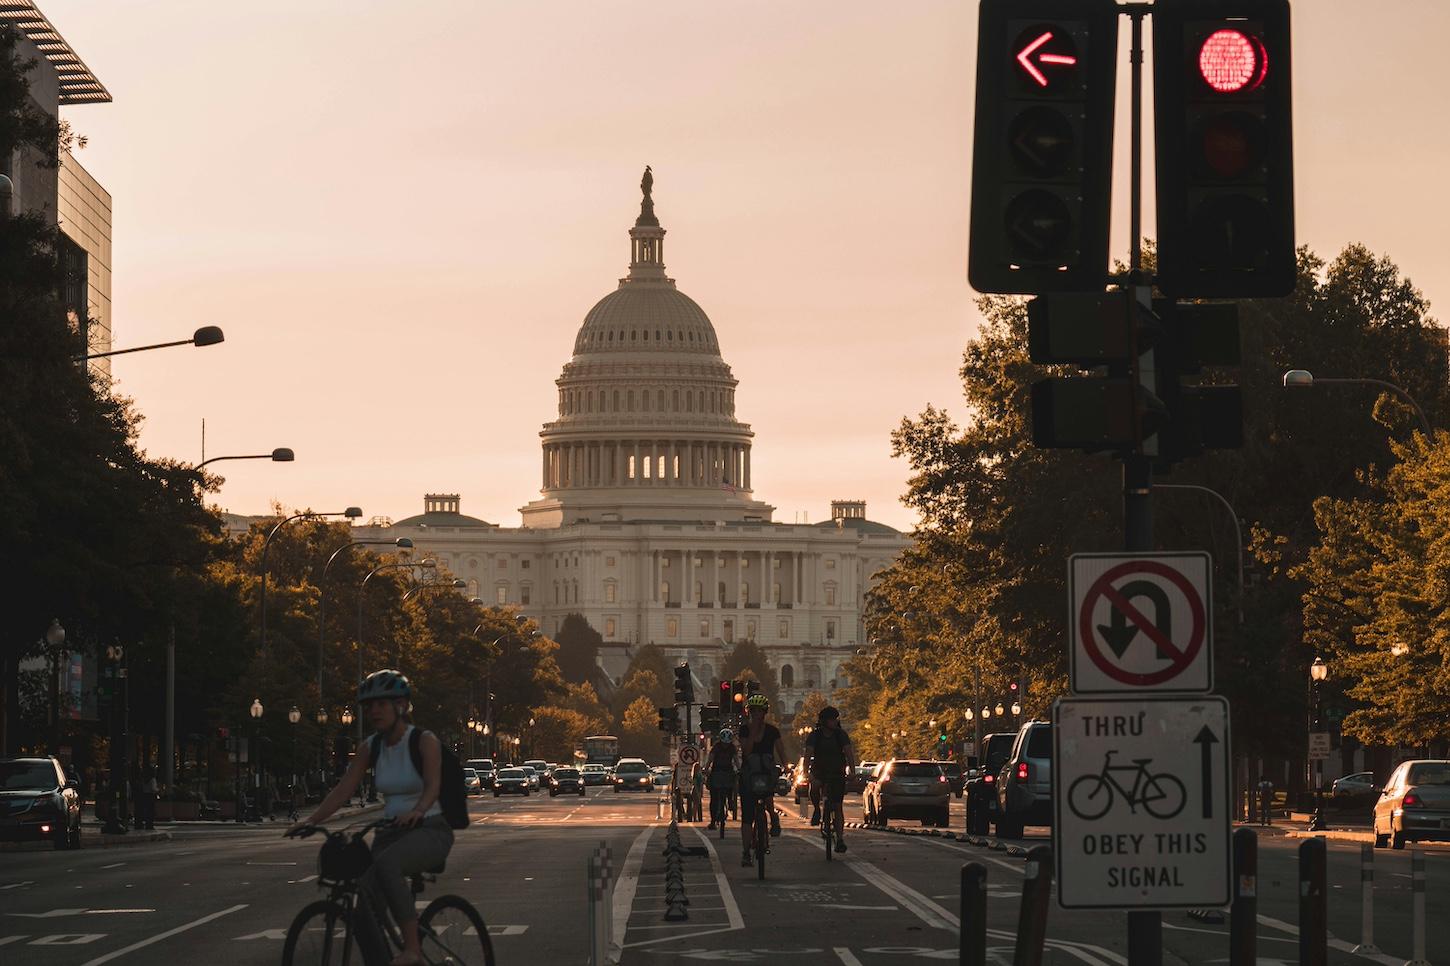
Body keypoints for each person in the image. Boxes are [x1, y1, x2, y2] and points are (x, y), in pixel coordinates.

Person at [291, 669, 453, 966]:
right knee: (361, 898)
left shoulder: (423, 741)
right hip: (389, 833)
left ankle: (413, 950)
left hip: (430, 829)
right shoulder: (371, 747)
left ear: (400, 706)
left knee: (388, 864)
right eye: (369, 706)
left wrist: (418, 810)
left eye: (381, 704)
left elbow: (433, 785)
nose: (374, 711)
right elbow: (344, 789)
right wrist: (312, 820)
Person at [738, 693, 786, 867]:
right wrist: (752, 732)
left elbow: (780, 750)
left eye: (759, 712)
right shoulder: (744, 730)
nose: (756, 715)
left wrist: (786, 767)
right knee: (747, 816)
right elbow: (747, 751)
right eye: (753, 712)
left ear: (765, 713)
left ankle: (773, 817)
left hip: (766, 773)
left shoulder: (773, 731)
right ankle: (745, 852)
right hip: (749, 775)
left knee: (768, 800)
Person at [804, 706, 856, 853]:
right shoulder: (815, 736)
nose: (835, 722)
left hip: (837, 771)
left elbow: (848, 753)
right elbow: (808, 754)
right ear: (824, 721)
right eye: (832, 719)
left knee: (838, 806)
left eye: (836, 719)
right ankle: (816, 810)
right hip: (819, 770)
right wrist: (807, 773)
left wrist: (852, 771)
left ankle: (840, 839)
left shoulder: (841, 735)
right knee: (814, 786)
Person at [706, 730, 738, 830]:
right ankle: (713, 820)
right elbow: (710, 759)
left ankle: (730, 801)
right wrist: (706, 768)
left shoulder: (728, 747)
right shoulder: (717, 747)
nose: (725, 746)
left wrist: (740, 769)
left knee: (731, 785)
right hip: (718, 772)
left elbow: (736, 760)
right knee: (714, 798)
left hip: (725, 772)